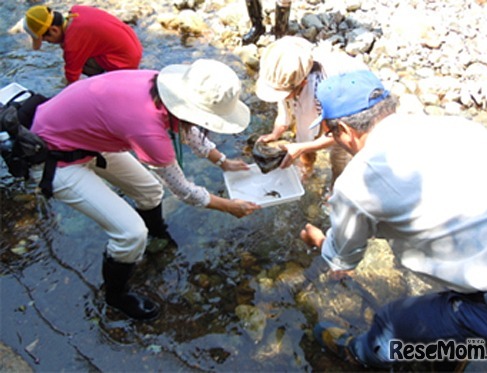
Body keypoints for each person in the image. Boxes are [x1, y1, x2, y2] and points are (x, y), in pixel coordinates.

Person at [30, 59, 261, 321]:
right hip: (52, 158)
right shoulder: (148, 129)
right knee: (130, 234)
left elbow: (189, 128)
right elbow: (183, 190)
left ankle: (157, 235)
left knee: (150, 190)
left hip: (84, 136)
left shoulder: (168, 88)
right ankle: (116, 297)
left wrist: (223, 161)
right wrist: (229, 206)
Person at [300, 70, 487, 369]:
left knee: (392, 323)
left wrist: (321, 241)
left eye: (330, 133)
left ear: (344, 129)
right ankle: (452, 355)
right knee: (448, 320)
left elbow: (342, 261)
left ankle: (358, 355)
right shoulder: (459, 127)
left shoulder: (357, 183)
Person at [255, 36, 366, 184]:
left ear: (303, 83)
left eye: (286, 94)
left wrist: (301, 148)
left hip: (352, 104)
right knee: (304, 135)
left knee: (338, 155)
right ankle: (308, 168)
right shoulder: (286, 73)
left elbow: (337, 135)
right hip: (317, 98)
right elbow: (285, 108)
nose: (283, 97)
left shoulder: (327, 90)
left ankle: (336, 187)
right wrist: (275, 133)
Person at [23, 5, 142, 84]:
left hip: (124, 65)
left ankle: (108, 80)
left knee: (76, 63)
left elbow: (72, 80)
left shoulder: (73, 43)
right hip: (133, 47)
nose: (49, 43)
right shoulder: (77, 11)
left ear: (54, 30)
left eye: (47, 40)